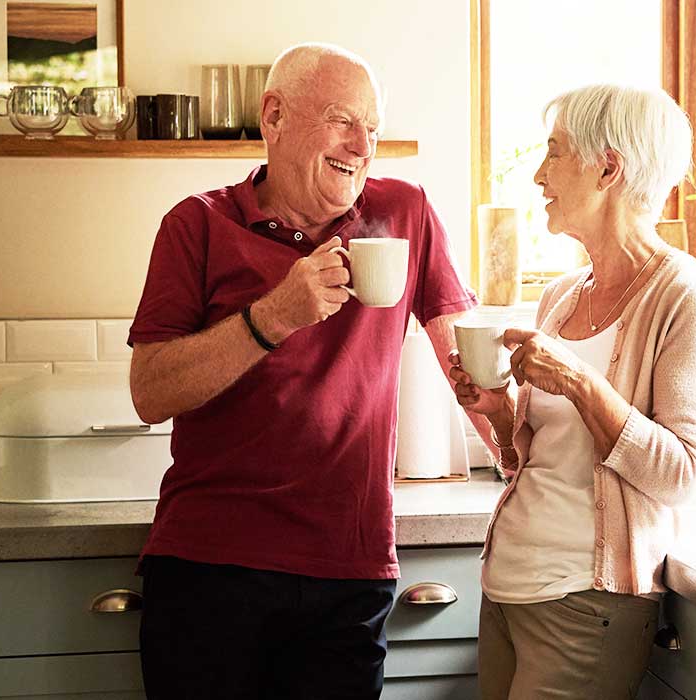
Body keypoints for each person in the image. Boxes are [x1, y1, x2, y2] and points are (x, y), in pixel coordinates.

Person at [126, 43, 479, 699]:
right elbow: (150, 392)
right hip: (209, 566)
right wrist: (275, 316)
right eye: (345, 120)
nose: (363, 144)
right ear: (274, 115)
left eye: (373, 129)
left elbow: (465, 358)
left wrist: (526, 455)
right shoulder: (197, 225)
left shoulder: (404, 214)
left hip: (349, 569)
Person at [446, 83, 696, 699]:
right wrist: (500, 412)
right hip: (507, 589)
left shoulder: (686, 296)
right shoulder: (562, 295)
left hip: (585, 605)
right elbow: (535, 460)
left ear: (608, 167)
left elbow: (681, 472)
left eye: (554, 154)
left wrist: (578, 381)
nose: (539, 176)